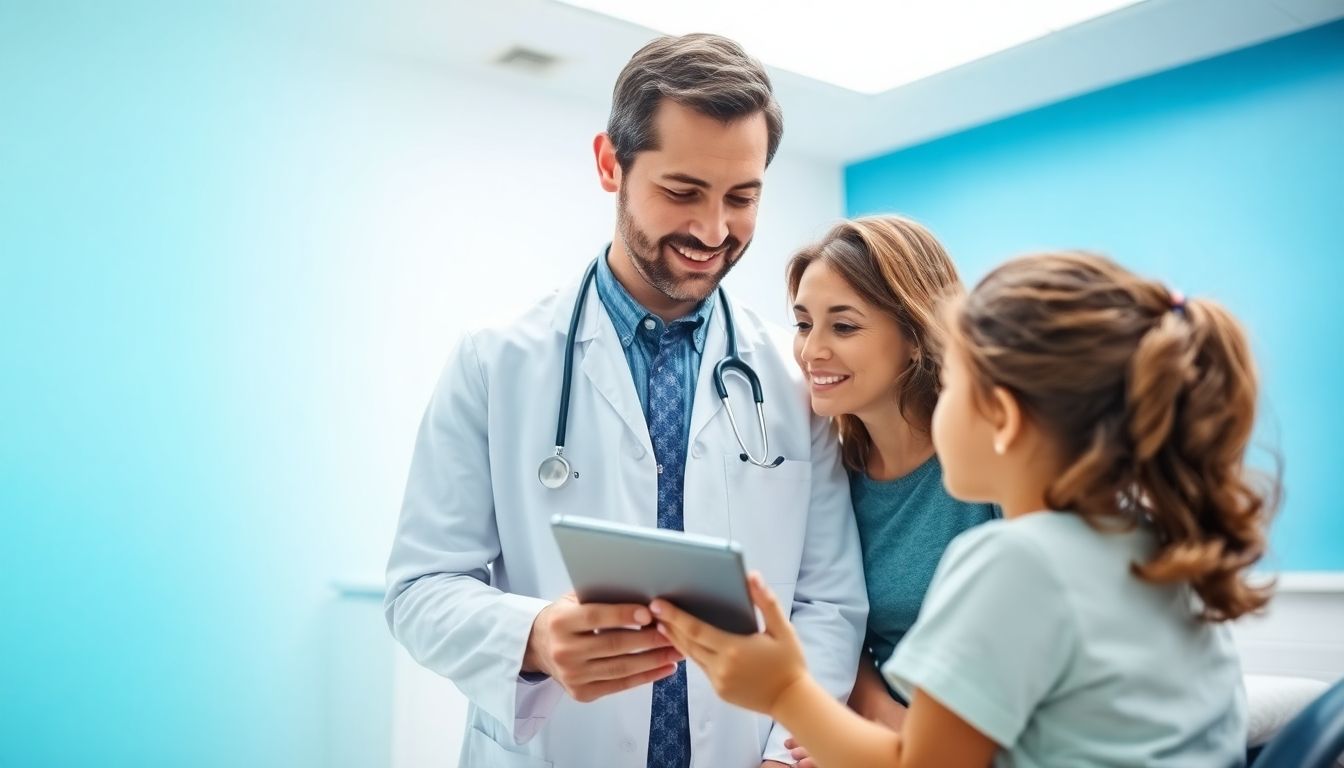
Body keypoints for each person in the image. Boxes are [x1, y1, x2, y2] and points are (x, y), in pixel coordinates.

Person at [383, 33, 867, 768]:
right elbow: (419, 589)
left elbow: (829, 601)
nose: (713, 231)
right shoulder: (496, 360)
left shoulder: (797, 381)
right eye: (682, 192)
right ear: (611, 164)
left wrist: (787, 751)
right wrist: (535, 636)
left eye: (742, 197)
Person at [655, 251, 1270, 767]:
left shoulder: (1015, 560)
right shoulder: (1149, 539)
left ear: (1001, 416)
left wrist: (785, 690)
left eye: (956, 386)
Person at [785, 217, 996, 736]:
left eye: (844, 325)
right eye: (804, 323)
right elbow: (835, 621)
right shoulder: (835, 473)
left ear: (916, 334)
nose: (812, 351)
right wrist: (880, 727)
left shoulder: (992, 464)